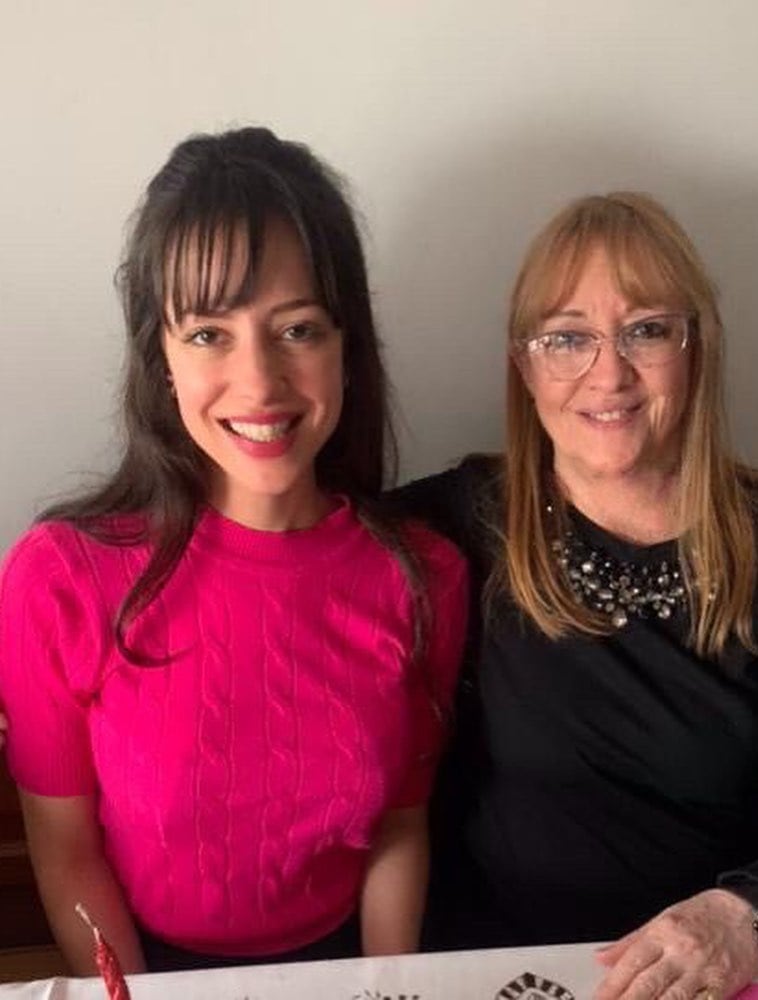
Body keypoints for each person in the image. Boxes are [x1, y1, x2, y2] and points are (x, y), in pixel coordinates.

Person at [0, 127, 467, 975]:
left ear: (347, 349)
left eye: (297, 330)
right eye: (210, 334)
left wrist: (386, 990)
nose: (259, 384)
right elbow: (64, 852)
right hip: (146, 974)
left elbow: (401, 826)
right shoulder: (59, 578)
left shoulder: (424, 575)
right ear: (162, 358)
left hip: (350, 970)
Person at [393, 192, 758, 999]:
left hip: (714, 974)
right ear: (524, 365)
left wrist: (743, 919)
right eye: (568, 338)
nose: (607, 373)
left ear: (697, 348)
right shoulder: (456, 524)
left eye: (647, 329)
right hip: (487, 970)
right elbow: (277, 548)